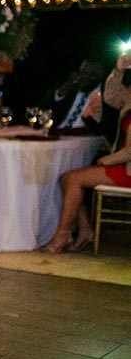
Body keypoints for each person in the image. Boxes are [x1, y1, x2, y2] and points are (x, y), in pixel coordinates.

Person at [42, 56, 131, 254]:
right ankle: (84, 229)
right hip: (122, 166)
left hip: (127, 170)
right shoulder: (128, 100)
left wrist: (107, 159)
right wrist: (118, 69)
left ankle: (63, 234)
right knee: (67, 178)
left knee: (72, 179)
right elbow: (110, 96)